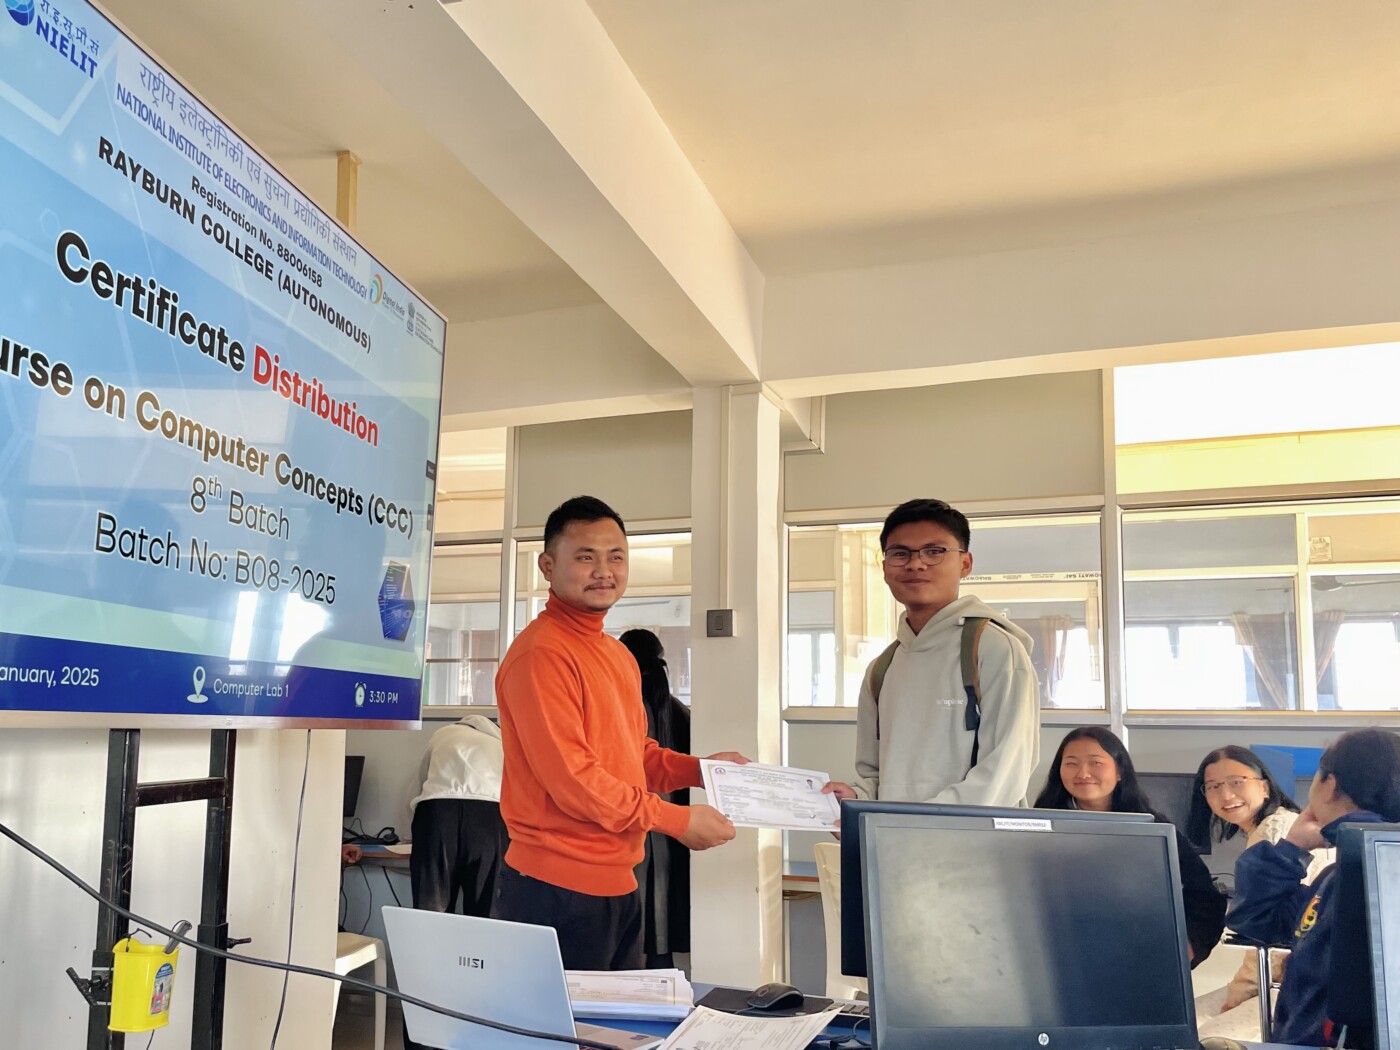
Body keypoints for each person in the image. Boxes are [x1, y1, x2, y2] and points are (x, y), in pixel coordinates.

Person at [492, 495, 746, 970]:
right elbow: (575, 783)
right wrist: (677, 821)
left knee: (618, 1017)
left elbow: (635, 756)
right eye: (585, 557)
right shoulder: (541, 655)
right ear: (547, 566)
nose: (603, 571)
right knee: (563, 1020)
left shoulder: (617, 655)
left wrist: (703, 771)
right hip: (553, 890)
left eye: (616, 557)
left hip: (620, 882)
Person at [826, 499, 1040, 809]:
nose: (915, 564)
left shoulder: (994, 648)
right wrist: (855, 799)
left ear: (965, 564)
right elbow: (876, 776)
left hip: (970, 837)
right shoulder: (881, 669)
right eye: (900, 553)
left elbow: (1004, 775)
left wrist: (921, 825)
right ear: (885, 568)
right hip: (897, 836)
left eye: (934, 551)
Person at [1227, 728, 1400, 1048]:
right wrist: (1293, 847)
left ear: (1329, 784)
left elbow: (1251, 917)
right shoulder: (1346, 875)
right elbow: (1265, 920)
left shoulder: (1350, 877)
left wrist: (1290, 848)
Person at [1033, 726, 1226, 967]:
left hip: (1137, 957)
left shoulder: (1151, 828)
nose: (1083, 773)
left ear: (1119, 771)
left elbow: (1204, 898)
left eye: (1095, 762)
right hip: (1058, 958)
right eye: (1071, 763)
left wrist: (1188, 947)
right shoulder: (1038, 828)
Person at [1186, 745, 1336, 1017]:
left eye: (1236, 782)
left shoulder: (1274, 832)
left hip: (1294, 986)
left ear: (1265, 787)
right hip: (1298, 976)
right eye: (1214, 786)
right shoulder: (1279, 823)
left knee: (1200, 1028)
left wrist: (1239, 994)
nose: (1226, 795)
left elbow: (1270, 942)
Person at [619, 628, 691, 970]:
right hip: (672, 834)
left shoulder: (623, 711)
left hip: (629, 824)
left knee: (627, 927)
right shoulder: (678, 711)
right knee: (659, 926)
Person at [408, 714, 508, 919]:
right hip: (488, 816)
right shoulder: (502, 741)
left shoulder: (442, 734)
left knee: (431, 911)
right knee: (486, 910)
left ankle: (430, 939)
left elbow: (419, 783)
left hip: (436, 813)